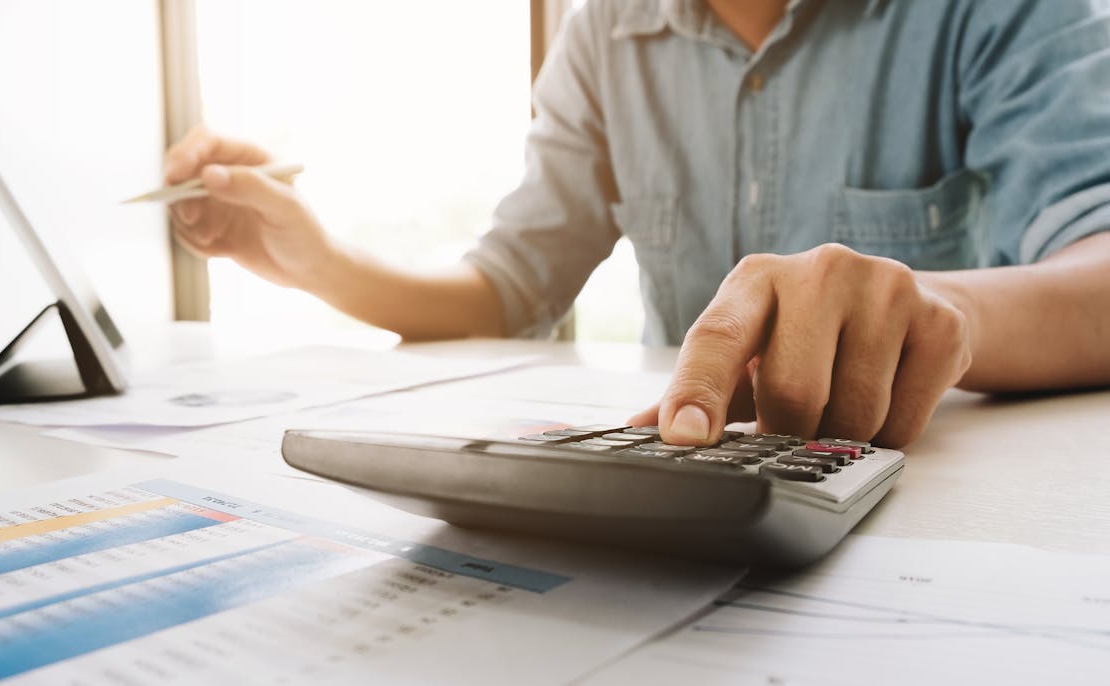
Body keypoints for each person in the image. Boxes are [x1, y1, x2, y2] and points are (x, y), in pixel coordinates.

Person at [163, 0, 1110, 448]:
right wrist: (318, 262)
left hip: (932, 482)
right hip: (692, 477)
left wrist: (938, 313)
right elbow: (510, 285)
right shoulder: (602, 32)